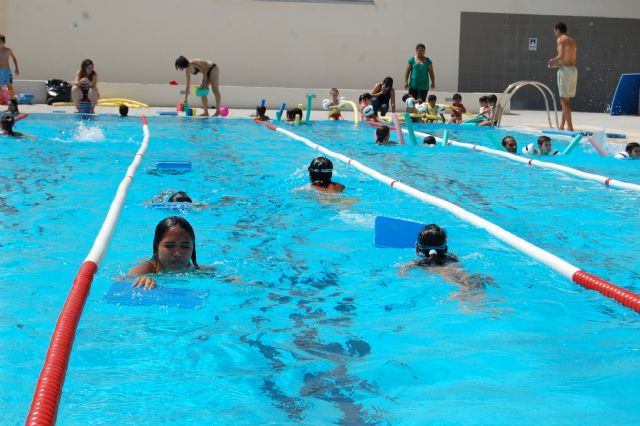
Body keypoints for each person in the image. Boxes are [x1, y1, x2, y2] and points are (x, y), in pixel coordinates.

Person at [401, 224, 492, 290]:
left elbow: (402, 274)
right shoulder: (453, 257)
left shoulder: (417, 263)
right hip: (466, 275)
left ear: (417, 248)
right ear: (445, 248)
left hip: (451, 281)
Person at [127, 216, 201, 290]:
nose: (177, 253)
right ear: (156, 248)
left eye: (185, 246)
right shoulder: (147, 270)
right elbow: (122, 281)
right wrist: (141, 280)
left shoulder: (197, 271)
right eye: (170, 246)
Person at [547, 22, 577, 131]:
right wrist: (557, 65)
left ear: (557, 30)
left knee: (564, 101)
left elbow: (561, 56)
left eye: (555, 31)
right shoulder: (572, 41)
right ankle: (562, 126)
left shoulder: (560, 39)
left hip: (565, 71)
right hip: (573, 70)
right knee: (566, 100)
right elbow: (569, 59)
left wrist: (552, 61)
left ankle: (570, 128)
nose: (554, 33)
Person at [0, 34, 19, 102]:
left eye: (0, 42)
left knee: (9, 86)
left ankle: (13, 101)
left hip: (7, 71)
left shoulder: (8, 50)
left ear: (4, 43)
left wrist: (16, 68)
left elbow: (14, 59)